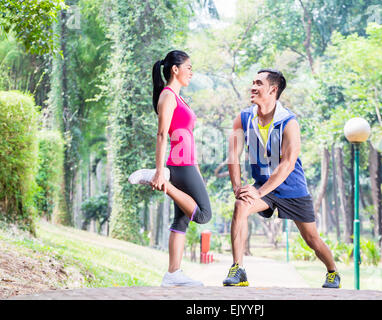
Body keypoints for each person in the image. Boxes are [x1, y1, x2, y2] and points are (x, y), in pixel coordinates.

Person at [223, 68, 341, 288]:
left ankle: (333, 271)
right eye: (253, 82)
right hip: (262, 188)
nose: (253, 87)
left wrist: (259, 191)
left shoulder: (289, 122)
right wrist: (237, 186)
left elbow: (287, 165)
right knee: (240, 205)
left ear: (273, 89)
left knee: (312, 239)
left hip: (292, 189)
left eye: (259, 83)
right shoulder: (244, 118)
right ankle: (238, 269)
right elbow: (233, 155)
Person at [132, 50, 212, 287]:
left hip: (188, 164)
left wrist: (197, 169)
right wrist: (159, 171)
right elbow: (161, 135)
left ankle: (172, 274)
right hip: (178, 165)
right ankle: (162, 183)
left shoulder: (180, 98)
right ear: (175, 70)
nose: (191, 72)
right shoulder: (167, 97)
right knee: (203, 215)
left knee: (181, 221)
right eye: (188, 67)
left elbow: (187, 136)